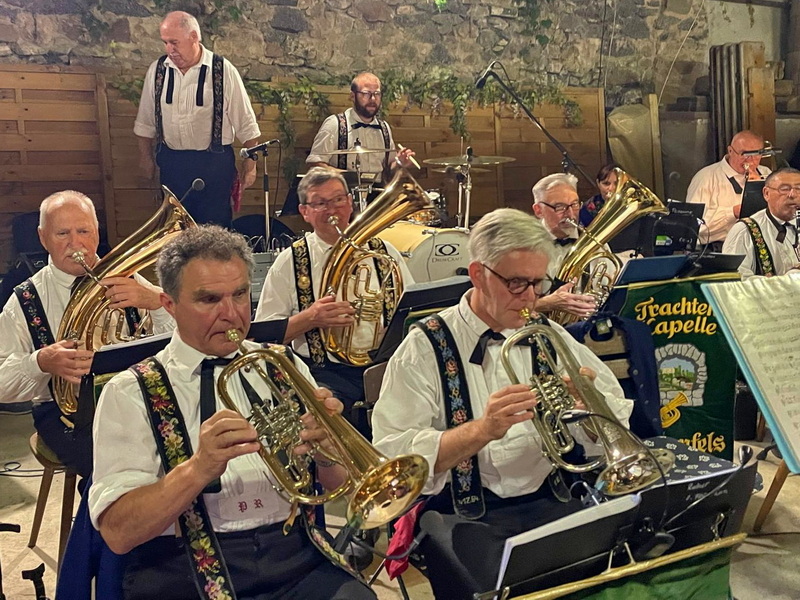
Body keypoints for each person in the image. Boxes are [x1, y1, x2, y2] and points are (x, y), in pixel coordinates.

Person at [89, 225, 376, 600]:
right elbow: (118, 533)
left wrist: (327, 449)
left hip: (295, 554)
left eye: (240, 294)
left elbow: (345, 490)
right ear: (169, 305)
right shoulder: (129, 392)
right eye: (209, 300)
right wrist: (198, 468)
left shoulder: (284, 365)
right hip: (182, 568)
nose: (231, 314)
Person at [371, 208, 633, 598]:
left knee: (611, 574)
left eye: (537, 283)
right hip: (462, 510)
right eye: (516, 283)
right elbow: (394, 459)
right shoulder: (424, 346)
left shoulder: (548, 335)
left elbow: (611, 430)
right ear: (478, 274)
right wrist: (481, 430)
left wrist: (588, 410)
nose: (530, 298)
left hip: (552, 496)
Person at [0, 191, 174, 478]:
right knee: (119, 467)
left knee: (183, 445)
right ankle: (106, 504)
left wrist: (156, 301)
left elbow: (180, 345)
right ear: (43, 238)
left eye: (84, 231)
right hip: (67, 414)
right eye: (62, 233)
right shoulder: (25, 298)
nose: (76, 243)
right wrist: (40, 362)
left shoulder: (126, 277)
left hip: (134, 397)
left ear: (97, 231)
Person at [255, 166, 413, 436]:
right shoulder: (289, 262)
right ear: (304, 212)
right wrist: (310, 318)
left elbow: (412, 309)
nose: (332, 209)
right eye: (320, 203)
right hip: (325, 373)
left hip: (386, 365)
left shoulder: (384, 252)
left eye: (339, 199)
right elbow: (263, 338)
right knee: (322, 415)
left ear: (350, 202)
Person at [135, 11, 261, 228]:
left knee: (215, 232)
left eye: (174, 42)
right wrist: (145, 158)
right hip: (172, 164)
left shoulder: (222, 70)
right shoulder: (158, 71)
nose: (169, 49)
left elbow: (247, 125)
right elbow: (145, 122)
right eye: (165, 43)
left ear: (194, 37)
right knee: (175, 231)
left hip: (214, 166)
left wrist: (250, 167)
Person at [306, 72, 415, 182]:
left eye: (377, 94)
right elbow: (315, 164)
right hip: (345, 190)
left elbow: (389, 169)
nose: (373, 99)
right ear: (352, 96)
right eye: (366, 94)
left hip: (378, 191)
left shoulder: (384, 128)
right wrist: (348, 177)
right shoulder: (334, 124)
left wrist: (400, 163)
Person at [531, 172, 599, 319]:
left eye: (574, 204)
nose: (571, 215)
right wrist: (547, 304)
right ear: (538, 210)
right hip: (541, 328)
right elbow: (506, 310)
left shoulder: (595, 243)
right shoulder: (523, 247)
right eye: (560, 207)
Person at [686, 130, 771, 247]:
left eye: (756, 154)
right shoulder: (706, 177)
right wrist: (733, 213)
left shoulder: (766, 173)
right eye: (744, 154)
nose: (750, 160)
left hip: (757, 245)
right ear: (730, 151)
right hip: (717, 247)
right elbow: (692, 224)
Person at [722, 167, 800, 278]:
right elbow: (735, 279)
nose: (793, 194)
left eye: (798, 188)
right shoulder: (744, 231)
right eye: (784, 189)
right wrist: (789, 280)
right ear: (766, 193)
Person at [579, 163, 619, 227]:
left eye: (617, 183)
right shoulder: (587, 209)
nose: (611, 188)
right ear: (598, 183)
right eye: (606, 183)